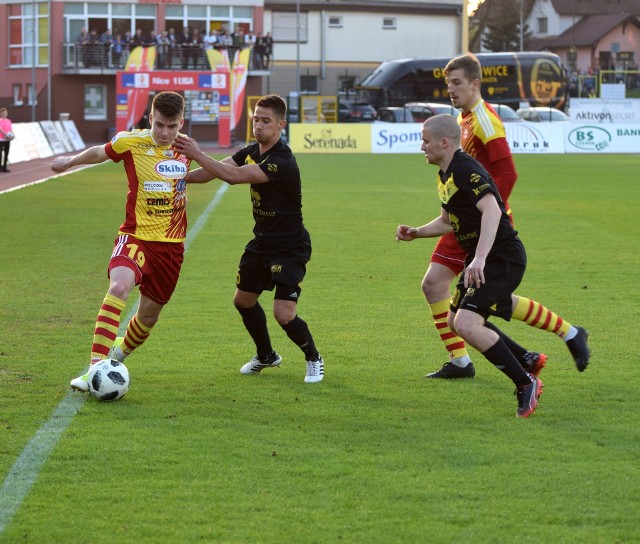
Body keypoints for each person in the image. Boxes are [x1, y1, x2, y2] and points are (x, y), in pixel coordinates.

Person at [421, 53, 590, 379]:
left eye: (457, 83)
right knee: (476, 296)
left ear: (475, 83)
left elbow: (507, 174)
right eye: (448, 84)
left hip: (480, 223)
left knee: (451, 292)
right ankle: (563, 336)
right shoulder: (463, 119)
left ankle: (474, 362)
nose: (451, 90)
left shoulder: (485, 119)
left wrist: (489, 216)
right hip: (467, 220)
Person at [397, 115, 543, 417]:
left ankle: (525, 381)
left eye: (425, 140)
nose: (421, 146)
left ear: (444, 142)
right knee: (456, 322)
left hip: (501, 258)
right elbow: (447, 221)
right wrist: (416, 232)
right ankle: (525, 359)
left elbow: (492, 208)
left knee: (466, 323)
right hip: (484, 259)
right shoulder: (445, 176)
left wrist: (479, 258)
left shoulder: (465, 169)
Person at [173, 94, 324, 383]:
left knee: (284, 314)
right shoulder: (252, 150)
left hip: (290, 246)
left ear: (281, 124)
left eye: (266, 121)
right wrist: (172, 176)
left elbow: (232, 176)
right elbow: (209, 173)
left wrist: (195, 152)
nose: (259, 125)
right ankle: (266, 356)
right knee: (243, 301)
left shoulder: (282, 161)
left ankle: (313, 358)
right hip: (262, 242)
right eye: (256, 119)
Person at [50, 91, 193, 392]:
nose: (165, 133)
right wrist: (68, 162)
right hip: (135, 236)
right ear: (150, 119)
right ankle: (95, 368)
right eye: (159, 125)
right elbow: (97, 153)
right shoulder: (131, 141)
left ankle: (117, 356)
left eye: (172, 126)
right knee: (119, 286)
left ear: (181, 122)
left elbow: (202, 174)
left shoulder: (186, 148)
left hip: (171, 245)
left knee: (148, 317)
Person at [0, 108, 14, 172]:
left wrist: (12, 135)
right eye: (3, 113)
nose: (4, 115)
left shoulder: (9, 121)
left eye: (5, 113)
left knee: (6, 153)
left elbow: (10, 129)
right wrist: (5, 134)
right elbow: (0, 129)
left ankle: (4, 167)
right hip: (1, 139)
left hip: (7, 140)